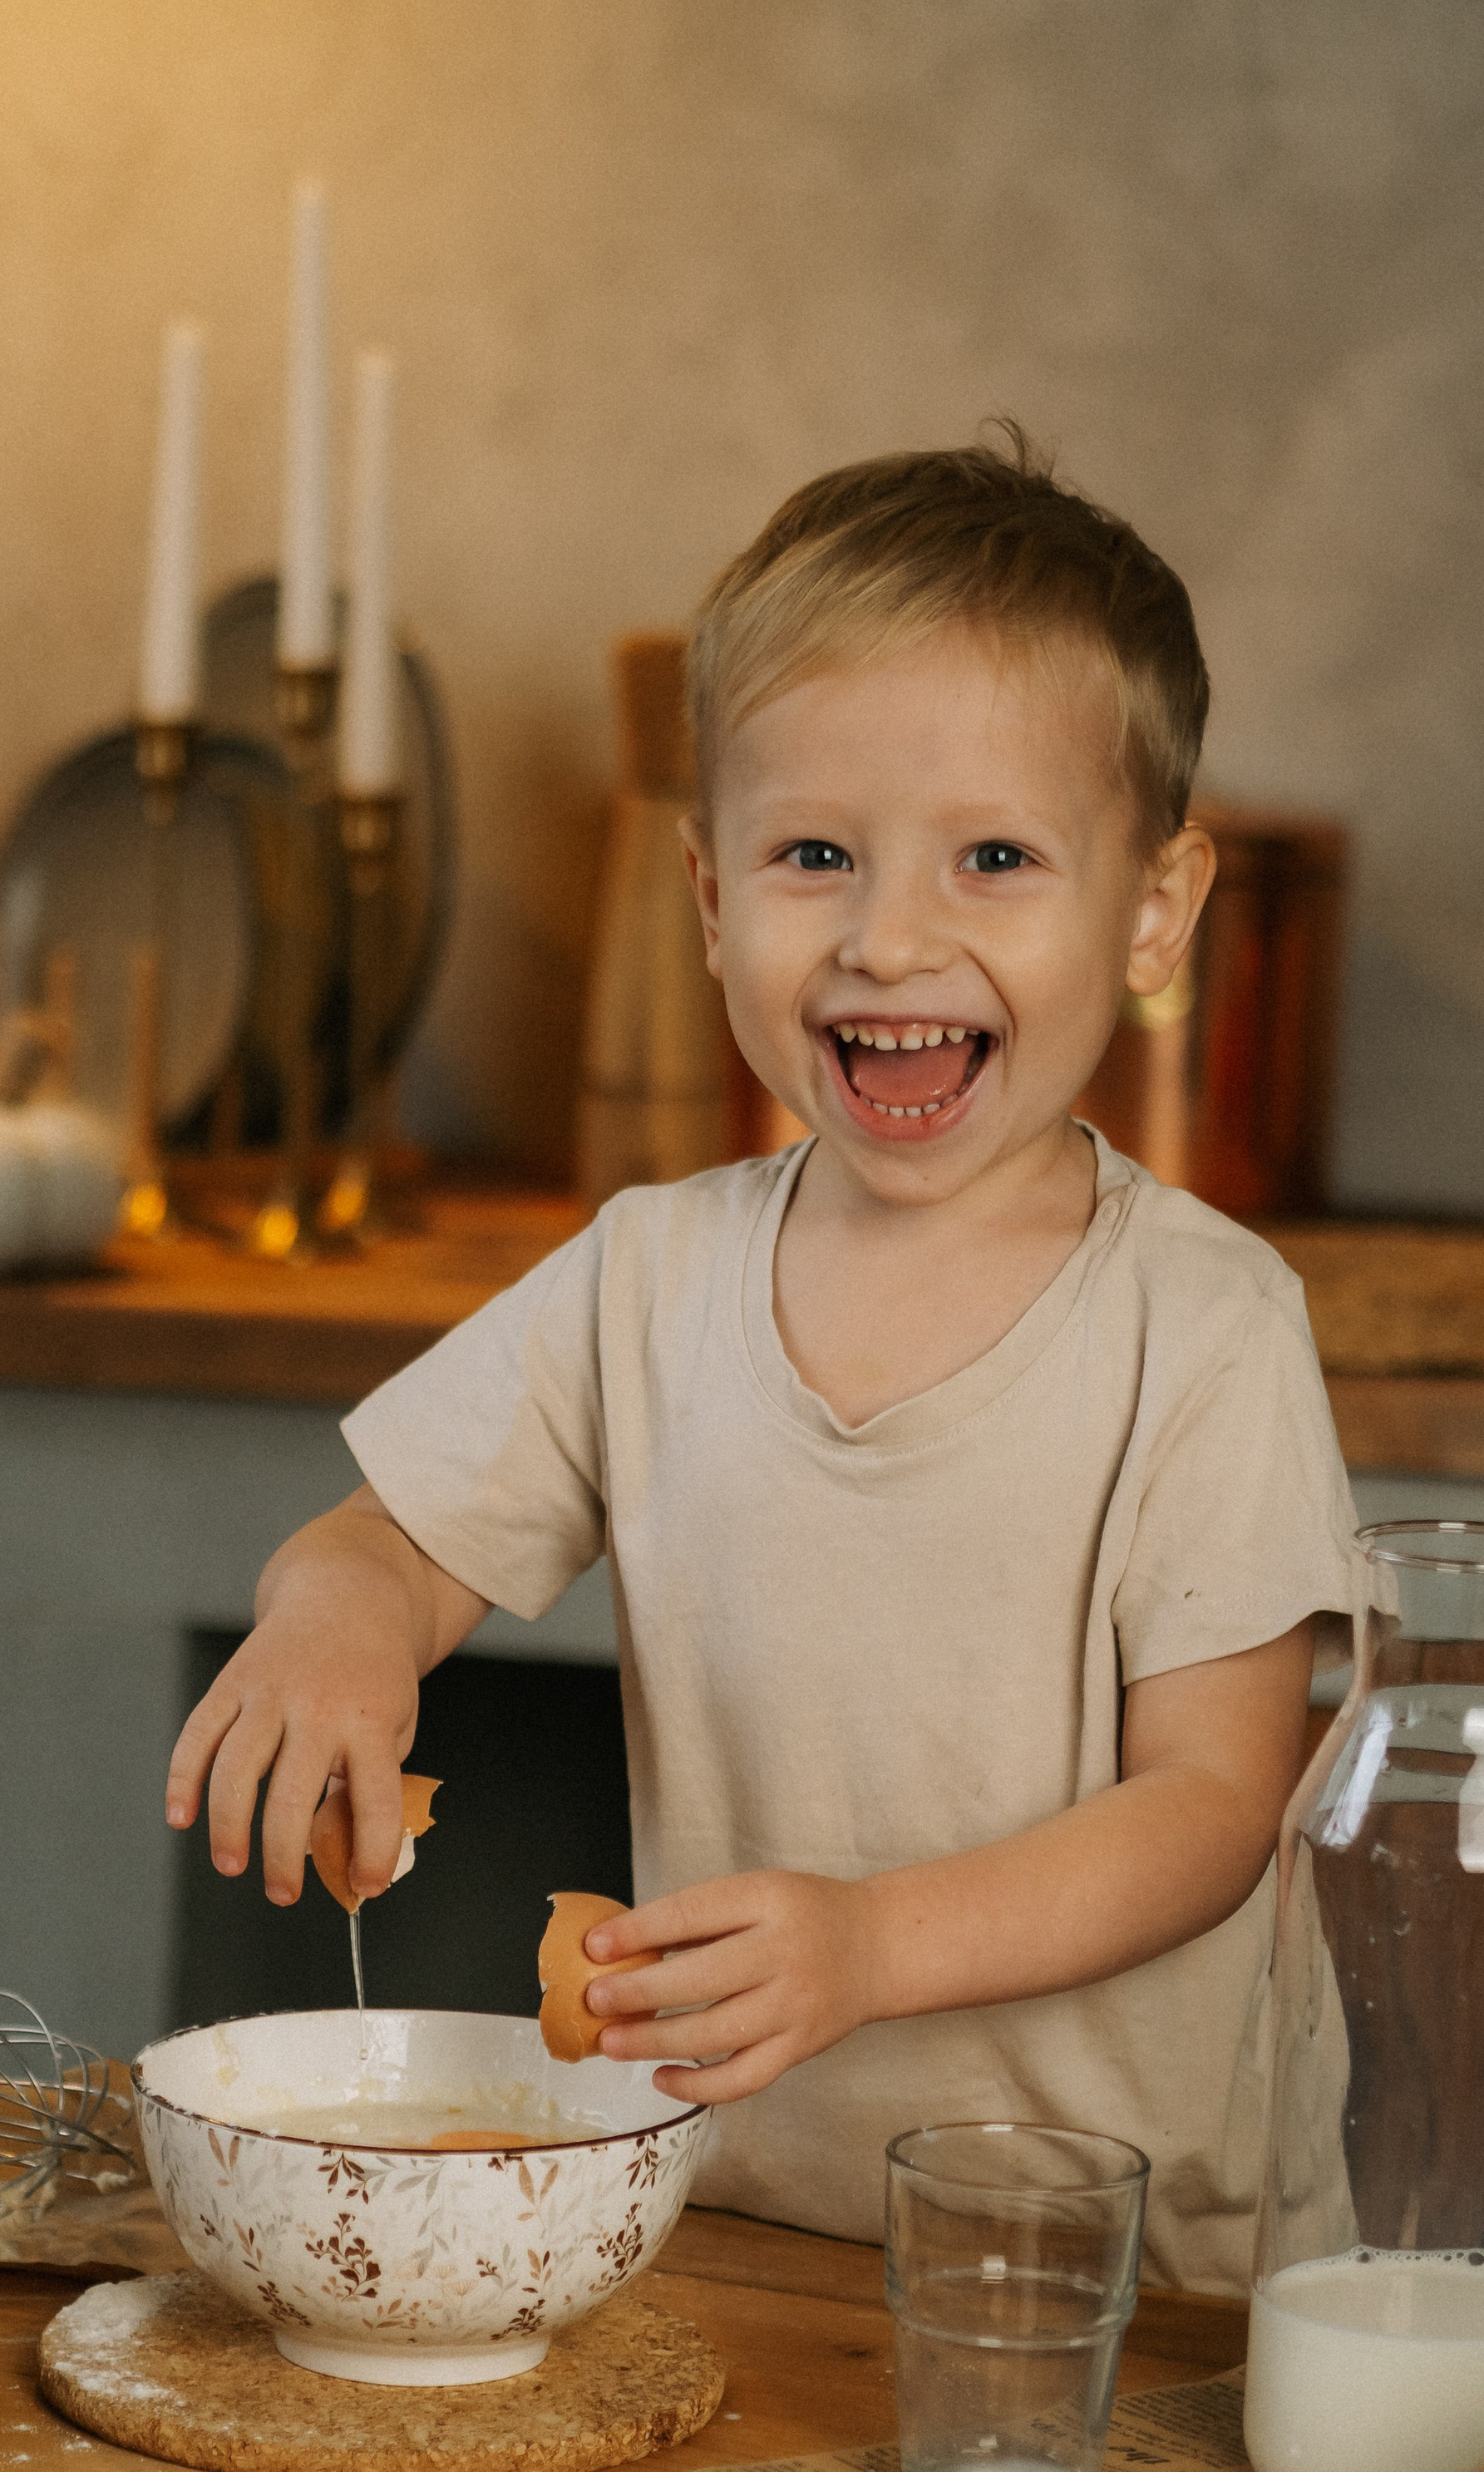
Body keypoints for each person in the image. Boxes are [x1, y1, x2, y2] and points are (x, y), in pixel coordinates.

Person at [164, 429, 1356, 2293]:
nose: (890, 936)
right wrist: (333, 1620)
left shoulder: (1202, 1328)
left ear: (1150, 912)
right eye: (812, 854)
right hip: (748, 2234)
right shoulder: (652, 1278)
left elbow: (1213, 1808)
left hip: (1135, 2281)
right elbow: (390, 1542)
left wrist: (868, 1947)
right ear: (712, 896)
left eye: (994, 857)